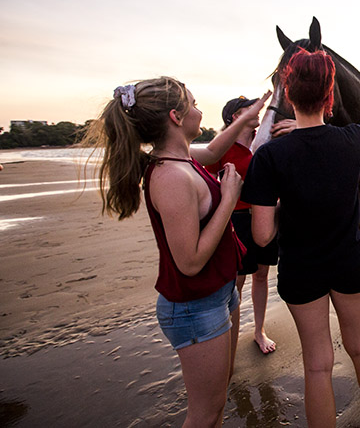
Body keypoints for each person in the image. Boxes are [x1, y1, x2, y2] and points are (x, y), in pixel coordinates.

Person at [83, 77, 268, 426]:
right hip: (195, 307)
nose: (201, 111)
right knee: (205, 412)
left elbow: (213, 151)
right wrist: (229, 199)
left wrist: (248, 116)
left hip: (217, 295)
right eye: (195, 104)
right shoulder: (170, 177)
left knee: (216, 404)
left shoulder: (181, 158)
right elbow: (190, 261)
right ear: (176, 117)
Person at [243, 49, 360, 427]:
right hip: (350, 262)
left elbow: (261, 236)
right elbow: (357, 137)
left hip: (302, 270)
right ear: (329, 96)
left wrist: (285, 204)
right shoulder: (355, 138)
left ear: (288, 95)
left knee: (317, 365)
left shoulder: (270, 158)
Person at [204, 96, 294, 355]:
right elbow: (207, 181)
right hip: (238, 219)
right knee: (236, 283)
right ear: (234, 116)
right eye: (248, 108)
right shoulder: (223, 147)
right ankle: (229, 334)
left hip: (266, 215)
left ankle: (259, 330)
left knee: (262, 276)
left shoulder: (267, 139)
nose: (258, 110)